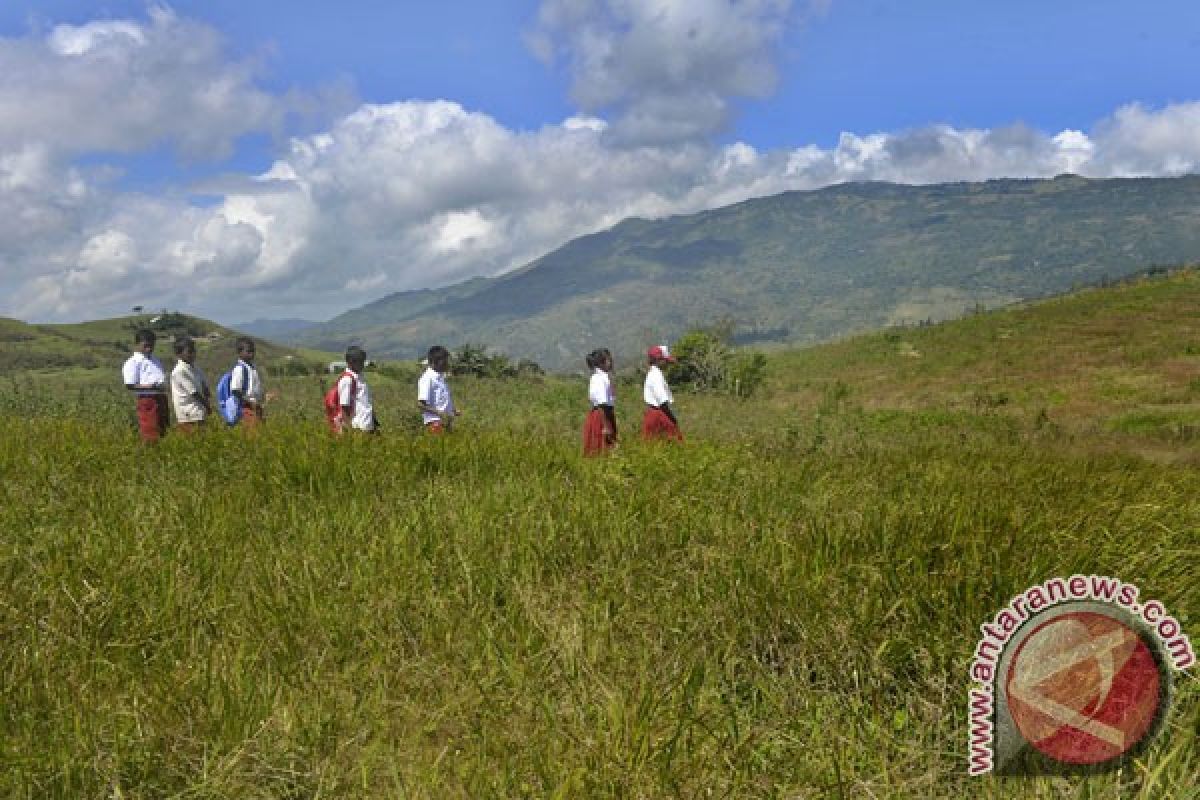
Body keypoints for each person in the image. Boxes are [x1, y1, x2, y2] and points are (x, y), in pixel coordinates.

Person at [122, 328, 168, 442]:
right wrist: (151, 387)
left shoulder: (155, 360)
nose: (149, 348)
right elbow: (130, 385)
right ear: (137, 344)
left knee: (163, 428)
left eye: (152, 345)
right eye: (146, 345)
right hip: (147, 398)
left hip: (160, 396)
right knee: (150, 431)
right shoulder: (133, 362)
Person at [642, 344, 683, 441]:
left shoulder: (654, 373)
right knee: (672, 441)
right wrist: (672, 419)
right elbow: (662, 401)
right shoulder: (656, 376)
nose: (667, 364)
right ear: (658, 360)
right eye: (665, 361)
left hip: (655, 413)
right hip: (659, 414)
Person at [170, 336, 210, 433]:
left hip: (198, 410)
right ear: (179, 354)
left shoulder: (194, 367)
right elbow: (194, 392)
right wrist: (207, 406)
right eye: (189, 352)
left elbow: (203, 384)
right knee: (192, 440)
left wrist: (207, 394)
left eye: (193, 351)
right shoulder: (179, 371)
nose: (193, 354)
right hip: (187, 413)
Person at [335, 345, 378, 434]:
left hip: (367, 425)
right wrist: (349, 430)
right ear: (351, 362)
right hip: (358, 427)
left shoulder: (359, 377)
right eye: (360, 362)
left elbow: (365, 402)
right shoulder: (347, 380)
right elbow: (344, 406)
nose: (363, 364)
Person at [583, 348, 617, 456]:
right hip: (602, 416)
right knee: (601, 449)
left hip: (605, 414)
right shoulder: (598, 379)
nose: (611, 362)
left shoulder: (603, 377)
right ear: (602, 362)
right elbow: (602, 404)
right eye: (609, 359)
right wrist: (606, 426)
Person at [417, 345, 459, 433]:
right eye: (444, 361)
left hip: (445, 422)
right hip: (435, 423)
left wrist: (453, 410)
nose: (447, 364)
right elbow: (421, 405)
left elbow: (440, 400)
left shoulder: (440, 378)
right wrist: (440, 413)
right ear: (434, 362)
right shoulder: (427, 378)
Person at [229, 336, 265, 427]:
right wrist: (249, 403)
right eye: (248, 351)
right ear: (240, 352)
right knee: (252, 433)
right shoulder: (239, 369)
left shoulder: (252, 368)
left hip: (255, 406)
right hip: (246, 408)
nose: (252, 354)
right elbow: (235, 390)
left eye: (253, 351)